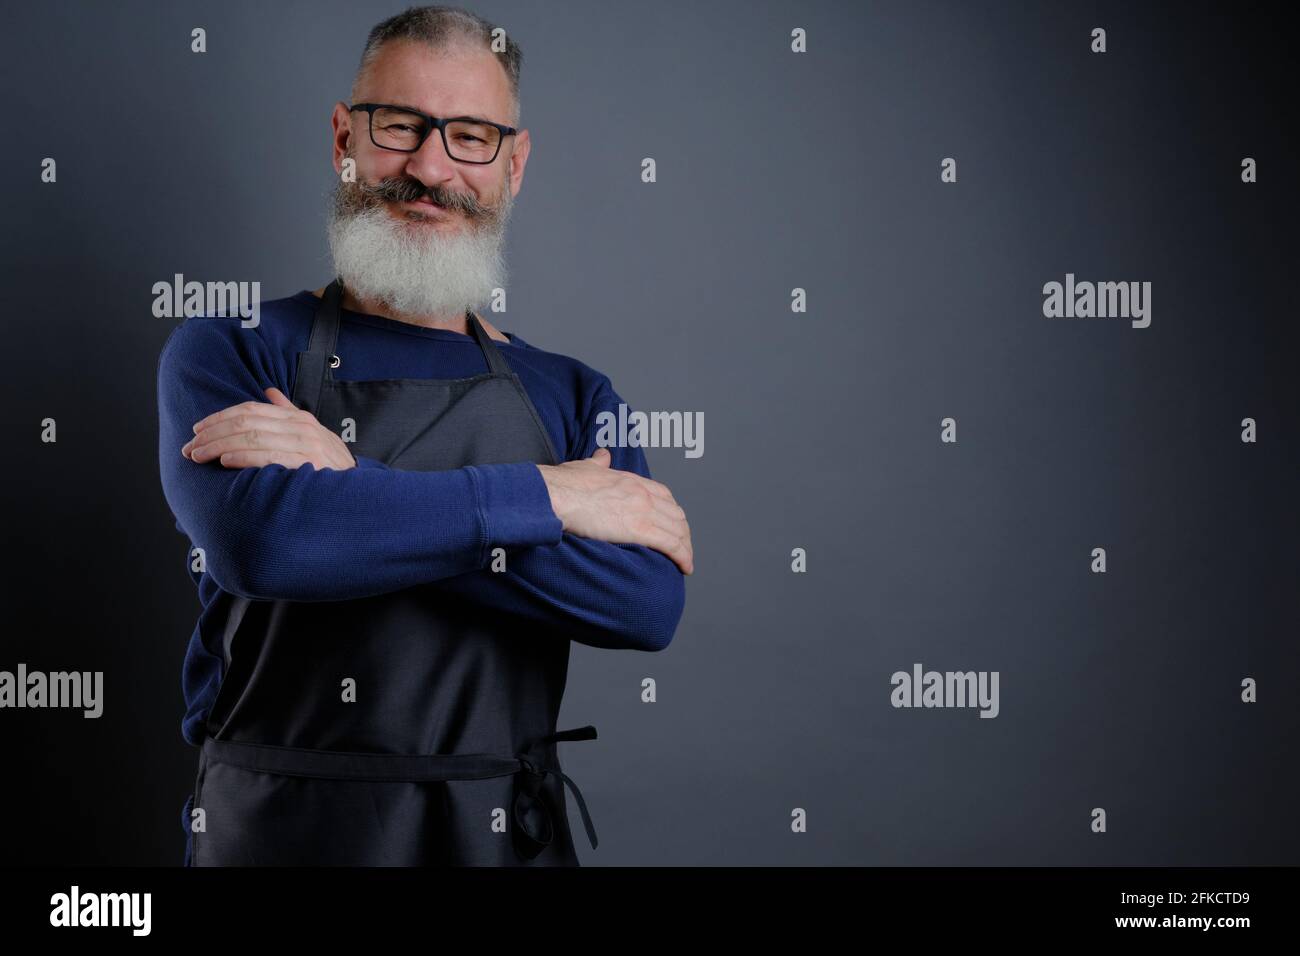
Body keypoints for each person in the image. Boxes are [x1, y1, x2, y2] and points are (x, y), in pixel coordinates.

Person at [155, 5, 691, 866]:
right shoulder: (231, 343)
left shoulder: (575, 394)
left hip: (496, 838)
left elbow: (643, 603)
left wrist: (351, 486)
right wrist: (550, 498)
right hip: (278, 831)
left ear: (514, 164)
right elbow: (263, 542)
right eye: (400, 125)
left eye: (471, 135)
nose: (431, 166)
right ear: (345, 134)